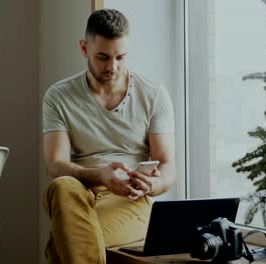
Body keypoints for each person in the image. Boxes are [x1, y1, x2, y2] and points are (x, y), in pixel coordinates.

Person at [41, 8, 176, 264]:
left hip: (128, 198)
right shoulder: (58, 96)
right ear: (84, 48)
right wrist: (100, 174)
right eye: (102, 57)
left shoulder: (154, 94)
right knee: (61, 185)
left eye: (120, 57)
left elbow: (168, 165)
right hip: (78, 193)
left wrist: (155, 185)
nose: (112, 67)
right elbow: (55, 165)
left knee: (62, 247)